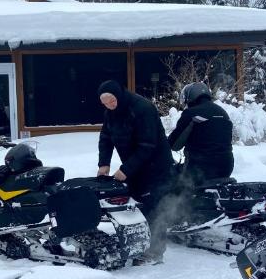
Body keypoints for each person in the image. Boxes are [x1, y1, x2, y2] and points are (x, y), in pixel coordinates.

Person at [96, 80, 175, 263]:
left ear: (119, 95)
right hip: (135, 165)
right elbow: (106, 137)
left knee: (153, 207)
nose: (109, 106)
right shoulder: (111, 112)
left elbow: (147, 145)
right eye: (105, 103)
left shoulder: (142, 108)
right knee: (137, 205)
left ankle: (155, 252)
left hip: (156, 166)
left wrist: (126, 169)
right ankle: (141, 244)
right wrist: (104, 164)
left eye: (111, 101)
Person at [168, 82, 234, 187]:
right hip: (226, 168)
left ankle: (170, 203)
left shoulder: (191, 113)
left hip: (200, 170)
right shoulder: (223, 113)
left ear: (191, 97)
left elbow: (174, 145)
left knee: (169, 174)